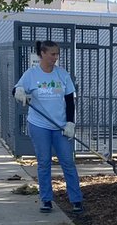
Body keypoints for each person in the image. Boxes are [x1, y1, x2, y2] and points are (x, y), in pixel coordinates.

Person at [13, 40, 83, 213]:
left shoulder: (62, 75)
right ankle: (46, 200)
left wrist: (70, 123)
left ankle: (76, 200)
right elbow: (16, 89)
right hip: (39, 125)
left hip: (60, 126)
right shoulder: (31, 74)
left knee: (67, 161)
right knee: (44, 162)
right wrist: (19, 92)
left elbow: (69, 101)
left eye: (57, 54)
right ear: (42, 54)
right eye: (52, 54)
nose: (55, 57)